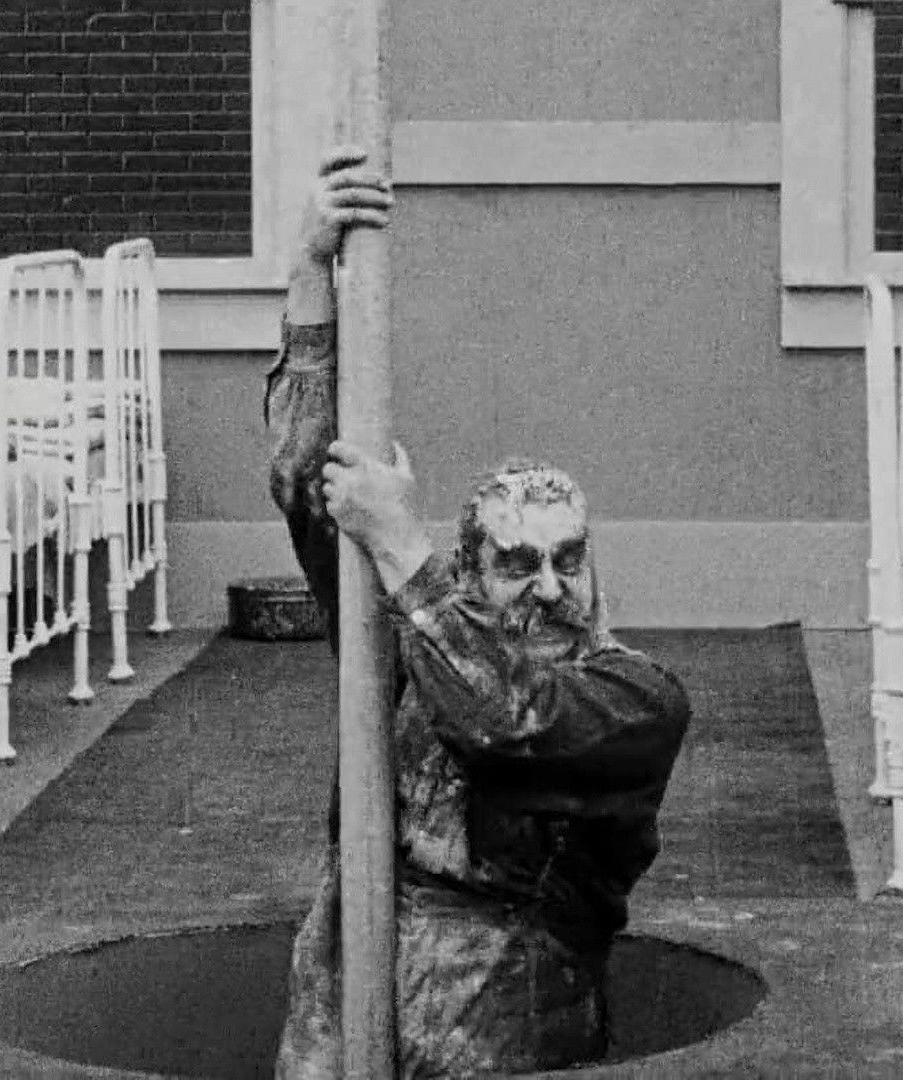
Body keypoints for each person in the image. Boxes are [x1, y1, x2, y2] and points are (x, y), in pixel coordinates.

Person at [264, 146, 692, 1078]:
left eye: (568, 559)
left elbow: (506, 718)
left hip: (507, 1006)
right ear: (470, 571)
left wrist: (399, 547)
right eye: (517, 564)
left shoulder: (637, 699)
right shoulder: (415, 640)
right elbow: (310, 485)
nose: (550, 588)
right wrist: (308, 269)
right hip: (349, 964)